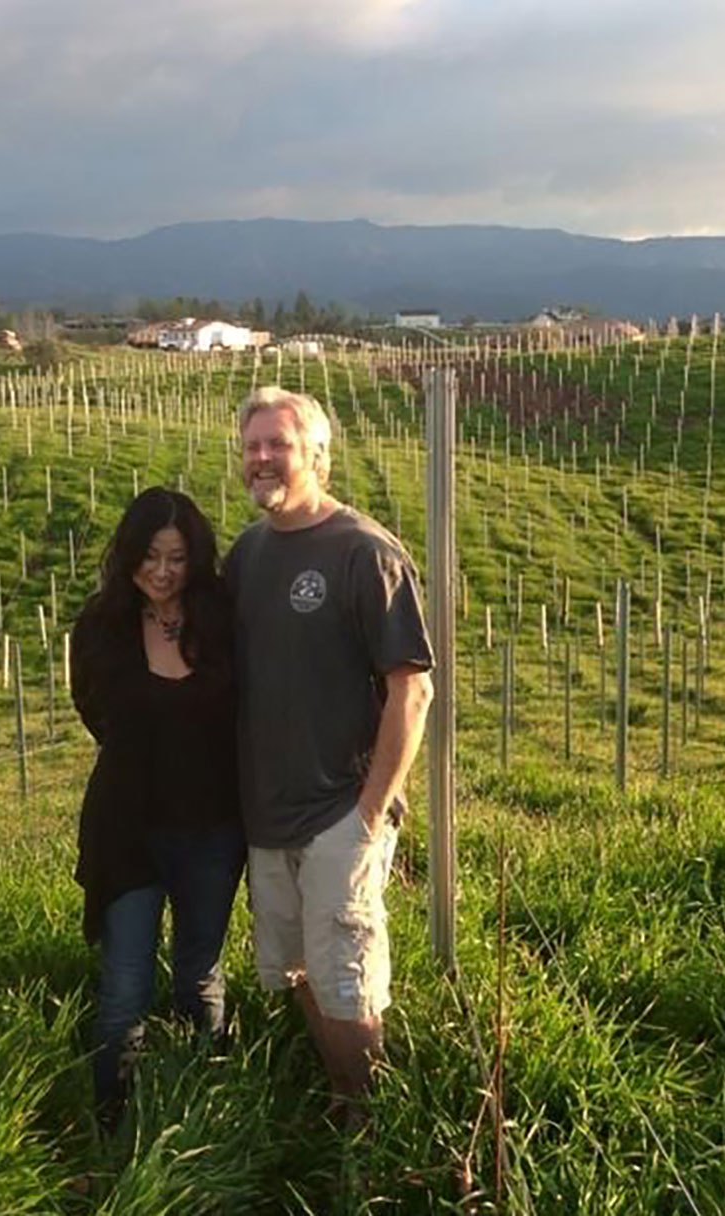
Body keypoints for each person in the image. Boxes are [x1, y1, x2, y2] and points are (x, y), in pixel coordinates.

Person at [224, 386, 434, 1120]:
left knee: (345, 977)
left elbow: (412, 692)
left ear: (316, 454)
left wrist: (370, 812)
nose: (261, 459)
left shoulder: (364, 553)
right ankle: (346, 1101)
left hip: (339, 812)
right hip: (266, 812)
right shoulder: (247, 555)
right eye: (251, 446)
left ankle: (369, 1122)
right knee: (295, 970)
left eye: (277, 445)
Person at [71, 487, 245, 1127]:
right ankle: (112, 1128)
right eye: (150, 557)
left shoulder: (224, 621)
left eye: (177, 558)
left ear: (195, 560)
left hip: (214, 830)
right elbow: (93, 710)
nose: (164, 572)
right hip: (127, 831)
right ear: (128, 557)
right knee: (124, 990)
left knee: (199, 975)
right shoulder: (99, 625)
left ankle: (209, 1110)